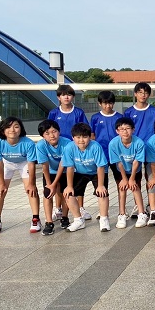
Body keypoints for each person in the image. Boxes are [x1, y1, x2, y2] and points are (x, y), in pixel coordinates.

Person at [0, 117, 40, 236]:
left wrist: (31, 184)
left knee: (31, 190)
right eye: (8, 127)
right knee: (0, 191)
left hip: (24, 162)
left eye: (16, 126)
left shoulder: (28, 143)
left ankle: (36, 219)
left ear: (21, 129)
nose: (12, 130)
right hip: (6, 163)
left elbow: (31, 164)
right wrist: (1, 183)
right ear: (3, 130)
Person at [48, 84, 89, 221]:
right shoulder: (54, 113)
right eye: (63, 95)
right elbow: (49, 130)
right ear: (58, 97)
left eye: (69, 94)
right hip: (59, 147)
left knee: (77, 178)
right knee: (59, 179)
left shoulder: (79, 112)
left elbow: (85, 129)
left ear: (73, 97)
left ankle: (81, 207)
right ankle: (58, 208)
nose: (66, 97)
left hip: (75, 148)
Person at [61, 123, 110, 232]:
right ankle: (78, 220)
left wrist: (100, 185)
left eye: (84, 137)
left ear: (90, 137)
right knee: (68, 193)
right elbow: (70, 167)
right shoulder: (69, 147)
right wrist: (69, 186)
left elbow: (100, 166)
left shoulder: (96, 146)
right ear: (73, 138)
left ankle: (104, 219)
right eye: (78, 137)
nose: (81, 140)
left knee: (102, 192)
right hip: (80, 172)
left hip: (97, 171)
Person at [108, 117, 147, 229]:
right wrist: (125, 179)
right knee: (122, 188)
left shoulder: (139, 143)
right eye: (121, 129)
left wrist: (132, 178)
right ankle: (122, 214)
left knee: (135, 187)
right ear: (117, 131)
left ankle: (142, 213)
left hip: (135, 169)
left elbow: (136, 162)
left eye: (128, 128)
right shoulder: (113, 144)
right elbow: (118, 163)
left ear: (133, 129)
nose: (125, 132)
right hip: (121, 170)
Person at [36, 120, 72, 235]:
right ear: (42, 136)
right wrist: (49, 185)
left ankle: (65, 217)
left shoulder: (67, 143)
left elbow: (63, 163)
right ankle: (49, 222)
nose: (52, 135)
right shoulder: (40, 145)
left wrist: (54, 183)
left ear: (59, 131)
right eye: (47, 133)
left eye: (54, 131)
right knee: (48, 193)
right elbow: (45, 165)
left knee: (65, 193)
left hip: (65, 170)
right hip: (50, 171)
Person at [90, 90, 123, 158]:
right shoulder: (95, 117)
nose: (108, 106)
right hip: (101, 150)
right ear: (100, 103)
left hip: (116, 150)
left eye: (110, 103)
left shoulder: (120, 117)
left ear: (113, 103)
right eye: (105, 103)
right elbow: (92, 134)